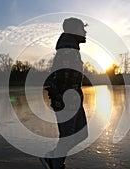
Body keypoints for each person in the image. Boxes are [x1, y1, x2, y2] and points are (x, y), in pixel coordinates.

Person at [40, 17, 88, 169]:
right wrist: (63, 101)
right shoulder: (67, 51)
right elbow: (58, 78)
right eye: (82, 29)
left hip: (74, 101)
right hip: (67, 102)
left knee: (81, 134)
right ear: (74, 31)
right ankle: (55, 163)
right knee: (68, 137)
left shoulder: (72, 49)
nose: (85, 32)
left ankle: (54, 159)